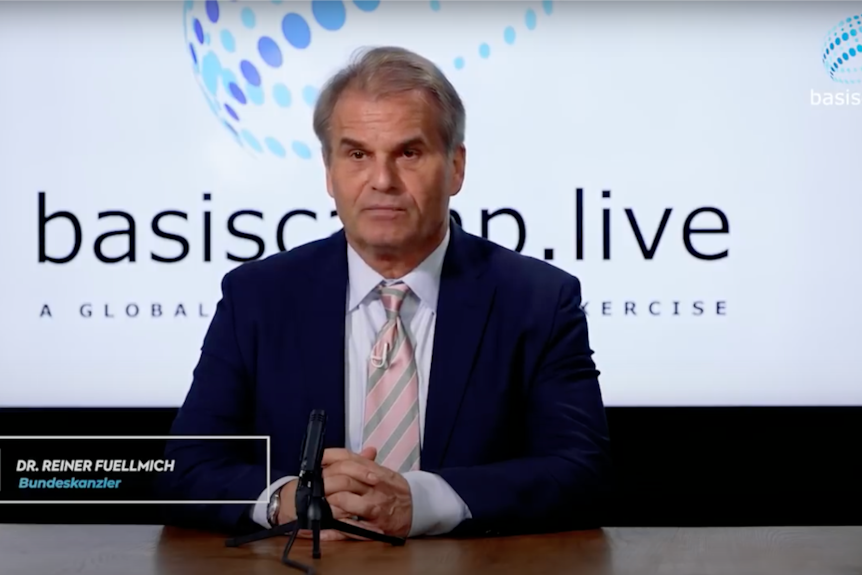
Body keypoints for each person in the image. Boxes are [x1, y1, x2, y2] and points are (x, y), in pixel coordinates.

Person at [159, 46, 611, 539]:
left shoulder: (538, 301)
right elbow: (185, 470)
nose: (382, 181)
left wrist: (421, 500)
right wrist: (284, 499)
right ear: (329, 172)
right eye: (357, 154)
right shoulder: (258, 298)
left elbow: (580, 473)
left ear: (456, 167)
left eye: (409, 153)